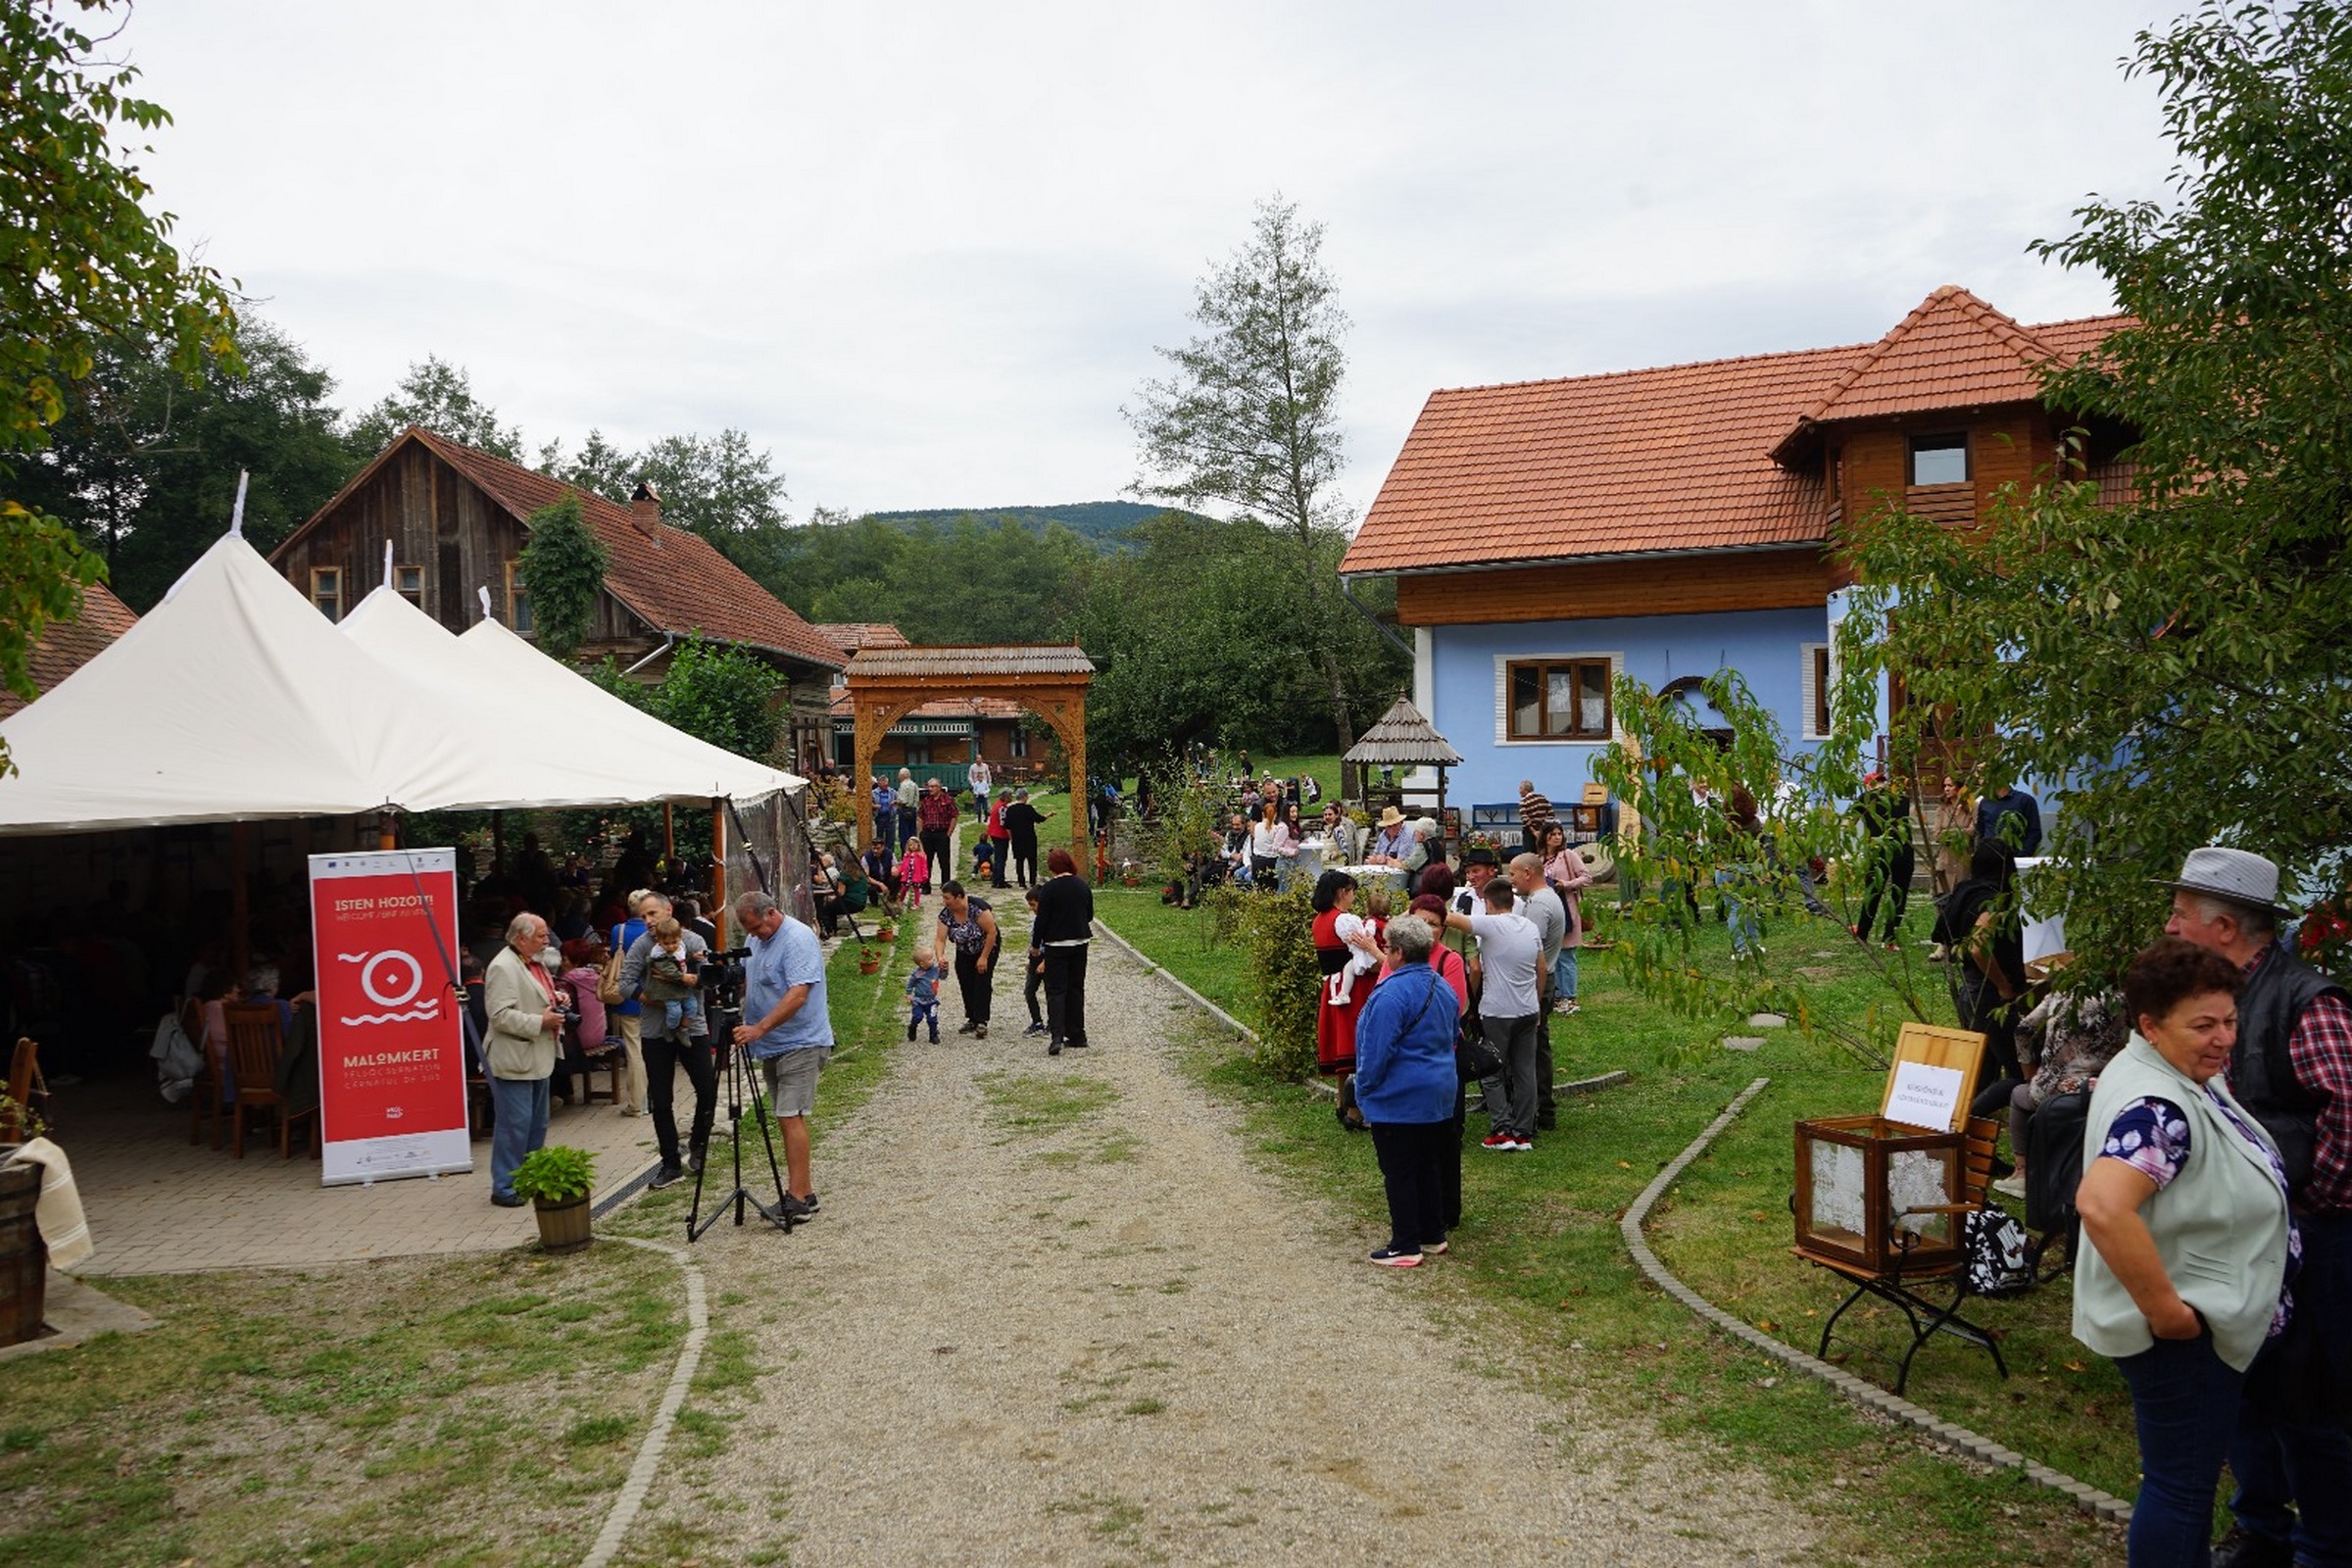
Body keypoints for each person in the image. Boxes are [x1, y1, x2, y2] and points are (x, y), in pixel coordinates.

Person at [2159, 846, 2352, 1568]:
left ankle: (2326, 1549)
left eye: (2181, 916)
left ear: (2225, 928)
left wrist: (2306, 1208)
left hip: (2312, 1236)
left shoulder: (2307, 1000)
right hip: (2233, 1236)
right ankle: (2261, 1530)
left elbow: (2349, 1115)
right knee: (2238, 1386)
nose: (2171, 928)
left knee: (2309, 1406)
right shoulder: (2210, 1001)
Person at [2074, 938, 2295, 1568]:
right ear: (2151, 1025)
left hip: (2203, 1323)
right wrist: (2169, 1312)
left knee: (2181, 1486)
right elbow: (2103, 1204)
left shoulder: (2171, 1072)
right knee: (2181, 1490)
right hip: (2185, 1338)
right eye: (2203, 1025)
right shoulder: (2158, 1104)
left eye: (2229, 1020)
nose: (2223, 1037)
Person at [1350, 913, 1461, 1267]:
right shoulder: (1441, 985)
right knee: (1427, 1164)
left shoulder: (1392, 993)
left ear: (1397, 952)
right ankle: (1432, 1233)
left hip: (1400, 1095)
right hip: (1439, 1091)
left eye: (1386, 947)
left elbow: (1376, 1050)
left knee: (1398, 1169)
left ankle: (1405, 1243)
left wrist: (1363, 1090)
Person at [730, 891, 829, 1221]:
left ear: (771, 913)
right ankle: (805, 1191)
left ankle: (797, 1199)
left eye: (758, 928)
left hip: (800, 1040)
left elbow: (799, 994)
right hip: (774, 1043)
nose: (755, 935)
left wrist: (759, 1028)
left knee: (791, 1114)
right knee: (784, 1115)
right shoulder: (756, 937)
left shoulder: (797, 939)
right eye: (751, 930)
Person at [1990, 986, 2126, 1200]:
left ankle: (2022, 1173)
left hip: (2056, 1088)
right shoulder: (2123, 1000)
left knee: (2018, 1094)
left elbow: (2023, 1030)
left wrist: (2029, 1072)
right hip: (2106, 1088)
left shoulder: (2062, 994)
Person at [618, 892, 714, 1189]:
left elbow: (708, 978)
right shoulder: (641, 945)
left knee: (707, 1090)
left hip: (692, 1025)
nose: (647, 920)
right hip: (655, 1030)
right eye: (643, 915)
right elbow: (624, 984)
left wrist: (690, 981)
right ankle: (670, 1163)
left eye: (652, 914)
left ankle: (698, 1143)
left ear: (668, 911)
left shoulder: (694, 941)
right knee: (661, 1100)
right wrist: (653, 998)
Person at [1447, 877, 1543, 1152]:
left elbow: (1450, 919)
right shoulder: (1530, 928)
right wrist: (1536, 1004)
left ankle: (1501, 1129)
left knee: (1491, 1070)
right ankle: (1524, 1130)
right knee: (1525, 1071)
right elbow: (1542, 969)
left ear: (1488, 903)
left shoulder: (1490, 925)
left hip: (1497, 1011)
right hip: (1527, 1009)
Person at [484, 913, 564, 1207]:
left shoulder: (533, 960)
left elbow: (534, 994)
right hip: (515, 1057)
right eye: (541, 936)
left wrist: (555, 998)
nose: (547, 940)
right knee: (514, 1125)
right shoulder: (502, 967)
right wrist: (539, 1020)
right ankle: (504, 1187)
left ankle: (529, 1179)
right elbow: (499, 1015)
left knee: (537, 1123)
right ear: (520, 938)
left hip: (537, 1055)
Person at [1938, 839, 2028, 1086]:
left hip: (1971, 989)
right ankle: (1958, 1122)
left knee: (1986, 1070)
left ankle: (1970, 1118)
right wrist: (2003, 986)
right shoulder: (1993, 900)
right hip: (1989, 995)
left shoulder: (1966, 890)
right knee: (2019, 1073)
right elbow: (1979, 948)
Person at [1509, 852, 1568, 1131]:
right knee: (1538, 1048)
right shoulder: (1549, 897)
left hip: (1537, 983)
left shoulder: (1538, 905)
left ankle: (1535, 1109)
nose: (1512, 881)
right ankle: (1542, 1109)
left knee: (1529, 1050)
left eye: (1513, 874)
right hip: (1543, 980)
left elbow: (1530, 949)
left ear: (1528, 873)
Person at [1034, 847, 1094, 1056]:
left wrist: (1035, 944)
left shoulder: (1049, 889)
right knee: (1076, 988)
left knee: (1056, 990)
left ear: (1052, 867)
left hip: (1057, 945)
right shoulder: (1082, 885)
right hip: (1080, 941)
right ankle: (1078, 1034)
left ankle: (1057, 1036)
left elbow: (1042, 921)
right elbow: (1089, 915)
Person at [1311, 870, 1368, 1077]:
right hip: (1352, 987)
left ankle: (1342, 1103)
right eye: (1352, 891)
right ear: (1343, 892)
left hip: (1332, 986)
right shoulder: (1343, 920)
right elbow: (1365, 958)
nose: (1353, 897)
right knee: (1352, 1044)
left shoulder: (1319, 920)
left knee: (1341, 1046)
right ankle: (1353, 1107)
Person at [1851, 771, 1914, 951]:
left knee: (1873, 892)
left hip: (1878, 849)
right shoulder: (1902, 798)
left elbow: (1853, 822)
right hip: (1904, 850)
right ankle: (1889, 939)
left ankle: (1862, 932)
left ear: (1868, 785)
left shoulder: (1865, 798)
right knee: (1899, 895)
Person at [605, 891, 654, 1118]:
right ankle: (654, 1097)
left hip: (628, 997)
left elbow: (615, 955)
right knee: (654, 1048)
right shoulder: (654, 929)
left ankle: (637, 1102)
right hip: (653, 995)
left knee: (634, 1051)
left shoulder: (619, 930)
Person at [1540, 822, 1594, 1014]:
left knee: (1567, 955)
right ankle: (1557, 995)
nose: (1557, 837)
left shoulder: (1568, 856)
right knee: (1552, 955)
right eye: (1552, 834)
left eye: (1559, 834)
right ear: (1544, 837)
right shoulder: (1540, 859)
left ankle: (1569, 997)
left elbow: (1587, 877)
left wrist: (1568, 884)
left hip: (1567, 907)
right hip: (1548, 910)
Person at [936, 881, 1001, 1040]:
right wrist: (940, 957)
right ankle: (971, 1017)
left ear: (959, 897)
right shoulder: (946, 914)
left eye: (947, 898)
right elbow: (940, 939)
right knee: (965, 980)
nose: (944, 901)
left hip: (986, 946)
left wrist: (984, 957)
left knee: (981, 980)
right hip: (964, 949)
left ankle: (981, 1020)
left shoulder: (977, 909)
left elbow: (992, 933)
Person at [642, 917, 708, 1042]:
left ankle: (683, 1029)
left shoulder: (680, 948)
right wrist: (683, 977)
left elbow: (682, 960)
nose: (671, 946)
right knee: (675, 1012)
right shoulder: (659, 955)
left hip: (683, 989)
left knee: (692, 1006)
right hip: (668, 991)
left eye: (674, 942)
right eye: (666, 943)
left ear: (680, 938)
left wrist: (692, 957)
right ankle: (670, 1029)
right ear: (659, 941)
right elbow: (669, 970)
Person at [1976, 780, 2043, 858]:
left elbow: (2034, 831)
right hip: (1989, 857)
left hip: (2016, 857)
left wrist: (2023, 854)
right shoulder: (1985, 802)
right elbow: (1981, 830)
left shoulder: (2025, 800)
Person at [1001, 789, 1047, 889]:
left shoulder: (1011, 809)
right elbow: (1039, 819)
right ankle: (1032, 882)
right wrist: (1048, 815)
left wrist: (1011, 839)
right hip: (1029, 838)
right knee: (1032, 861)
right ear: (1024, 797)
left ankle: (1021, 882)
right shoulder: (1028, 809)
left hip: (1017, 839)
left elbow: (1007, 826)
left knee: (1019, 861)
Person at [917, 779, 958, 887]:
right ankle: (926, 885)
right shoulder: (926, 801)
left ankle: (946, 885)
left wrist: (948, 833)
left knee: (944, 861)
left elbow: (954, 816)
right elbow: (921, 817)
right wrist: (921, 833)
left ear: (939, 787)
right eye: (929, 787)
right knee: (927, 861)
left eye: (933, 787)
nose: (930, 789)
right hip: (928, 834)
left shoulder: (947, 800)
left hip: (941, 833)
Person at [905, 944, 947, 1044]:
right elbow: (910, 984)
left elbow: (943, 977)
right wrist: (908, 994)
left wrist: (944, 969)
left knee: (932, 1019)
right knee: (917, 1017)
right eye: (930, 959)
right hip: (918, 1000)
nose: (933, 960)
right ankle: (912, 1027)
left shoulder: (935, 970)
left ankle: (933, 1035)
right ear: (922, 964)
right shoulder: (917, 974)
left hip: (931, 1000)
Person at [1021, 888, 1049, 1037]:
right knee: (1029, 991)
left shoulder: (1050, 920)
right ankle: (1037, 1021)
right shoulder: (1037, 919)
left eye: (1033, 905)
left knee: (1051, 993)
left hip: (1047, 959)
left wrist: (1045, 962)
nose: (1031, 908)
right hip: (1035, 959)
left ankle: (1053, 1023)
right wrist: (1031, 961)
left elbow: (1051, 944)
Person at [1248, 797, 1291, 891]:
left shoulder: (1257, 826)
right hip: (1271, 861)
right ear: (1275, 814)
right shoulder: (1277, 829)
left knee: (1258, 889)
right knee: (1271, 889)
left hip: (1257, 861)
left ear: (1263, 814)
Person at [1517, 778, 1556, 855]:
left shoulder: (1523, 801)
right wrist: (1544, 827)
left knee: (1529, 854)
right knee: (1542, 852)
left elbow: (1525, 819)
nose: (1519, 790)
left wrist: (1534, 831)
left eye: (1520, 788)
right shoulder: (1543, 798)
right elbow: (1551, 814)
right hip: (1543, 829)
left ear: (1526, 789)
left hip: (1530, 831)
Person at [984, 795, 1012, 889]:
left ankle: (996, 880)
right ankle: (1000, 881)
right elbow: (1003, 823)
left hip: (994, 833)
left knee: (997, 857)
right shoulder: (1002, 808)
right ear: (1006, 797)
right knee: (1001, 858)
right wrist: (1010, 835)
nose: (1011, 797)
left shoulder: (997, 805)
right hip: (1000, 834)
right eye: (1010, 796)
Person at [897, 836, 931, 909]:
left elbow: (924, 866)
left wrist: (924, 875)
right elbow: (903, 865)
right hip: (907, 875)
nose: (913, 846)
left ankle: (916, 903)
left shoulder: (921, 856)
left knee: (916, 890)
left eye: (915, 844)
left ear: (919, 845)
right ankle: (900, 900)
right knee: (904, 889)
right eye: (911, 845)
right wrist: (899, 871)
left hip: (916, 876)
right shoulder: (907, 855)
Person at [894, 768, 920, 857]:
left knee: (904, 835)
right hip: (913, 810)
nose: (898, 777)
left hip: (904, 811)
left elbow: (903, 800)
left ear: (903, 775)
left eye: (899, 775)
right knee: (913, 833)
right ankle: (915, 853)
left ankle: (905, 854)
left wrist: (895, 802)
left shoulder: (904, 785)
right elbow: (917, 799)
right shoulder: (915, 785)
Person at [871, 775, 900, 857]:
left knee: (890, 838)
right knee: (879, 837)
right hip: (879, 817)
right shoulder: (874, 792)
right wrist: (875, 806)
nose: (886, 784)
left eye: (887, 782)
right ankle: (879, 854)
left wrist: (895, 802)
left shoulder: (892, 792)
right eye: (884, 783)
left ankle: (890, 855)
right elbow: (869, 803)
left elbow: (899, 800)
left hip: (890, 817)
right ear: (879, 783)